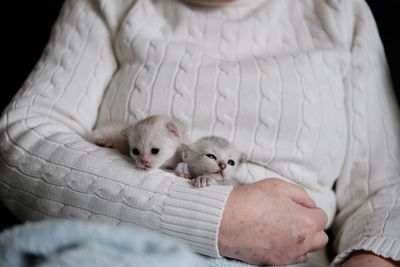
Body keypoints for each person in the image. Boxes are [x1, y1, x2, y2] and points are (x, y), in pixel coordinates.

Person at [0, 0, 398, 266]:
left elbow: (386, 190)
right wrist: (221, 218)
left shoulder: (340, 11)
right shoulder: (109, 5)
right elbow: (21, 141)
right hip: (118, 248)